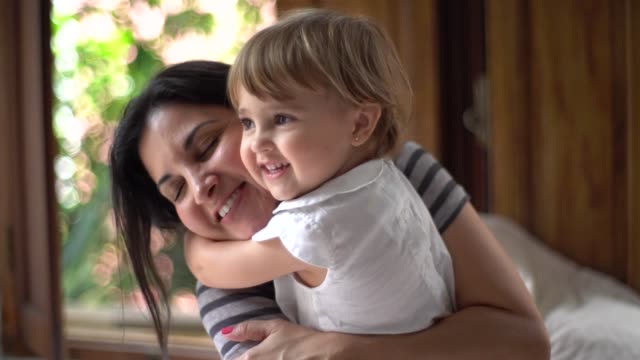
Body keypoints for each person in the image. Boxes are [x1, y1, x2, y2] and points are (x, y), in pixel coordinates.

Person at [111, 58, 548, 359]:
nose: (200, 187)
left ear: (255, 115)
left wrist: (349, 352)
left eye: (207, 145)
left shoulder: (397, 171)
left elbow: (525, 342)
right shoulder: (226, 284)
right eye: (177, 192)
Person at [186, 8, 455, 336]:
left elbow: (209, 268)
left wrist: (192, 242)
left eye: (282, 119)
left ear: (360, 123)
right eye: (248, 123)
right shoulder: (384, 182)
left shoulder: (318, 224)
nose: (257, 143)